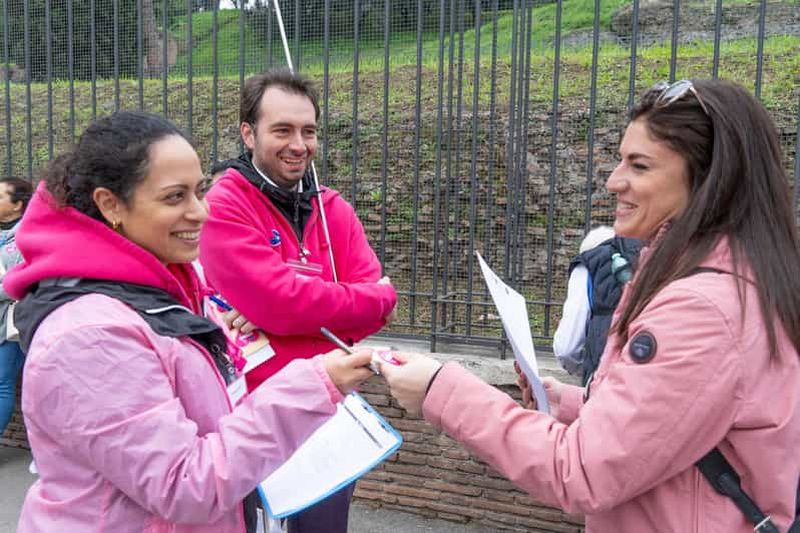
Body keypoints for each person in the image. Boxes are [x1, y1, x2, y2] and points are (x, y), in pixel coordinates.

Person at [379, 80, 800, 532]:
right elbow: (681, 417)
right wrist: (570, 403)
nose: (614, 181)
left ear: (708, 179)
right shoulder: (742, 279)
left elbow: (580, 472)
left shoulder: (701, 311)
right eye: (621, 160)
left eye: (639, 165)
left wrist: (441, 390)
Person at [5, 111, 376, 533]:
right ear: (110, 204)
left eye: (199, 192)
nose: (200, 212)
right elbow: (184, 486)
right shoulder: (90, 336)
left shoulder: (165, 289)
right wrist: (314, 385)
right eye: (174, 197)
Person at [199, 69, 397, 533]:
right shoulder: (224, 203)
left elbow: (381, 305)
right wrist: (304, 303)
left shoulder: (333, 207)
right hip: (255, 418)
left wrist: (286, 302)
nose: (299, 144)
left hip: (331, 413)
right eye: (282, 130)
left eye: (308, 131)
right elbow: (281, 302)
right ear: (249, 133)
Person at [553, 225, 641, 385]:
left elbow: (567, 348)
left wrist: (583, 368)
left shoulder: (587, 265)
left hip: (601, 380)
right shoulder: (651, 260)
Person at [0, 177, 32, 437]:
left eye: (0, 196)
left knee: (2, 382)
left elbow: (25, 281)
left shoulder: (28, 235)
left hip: (12, 320)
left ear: (17, 204)